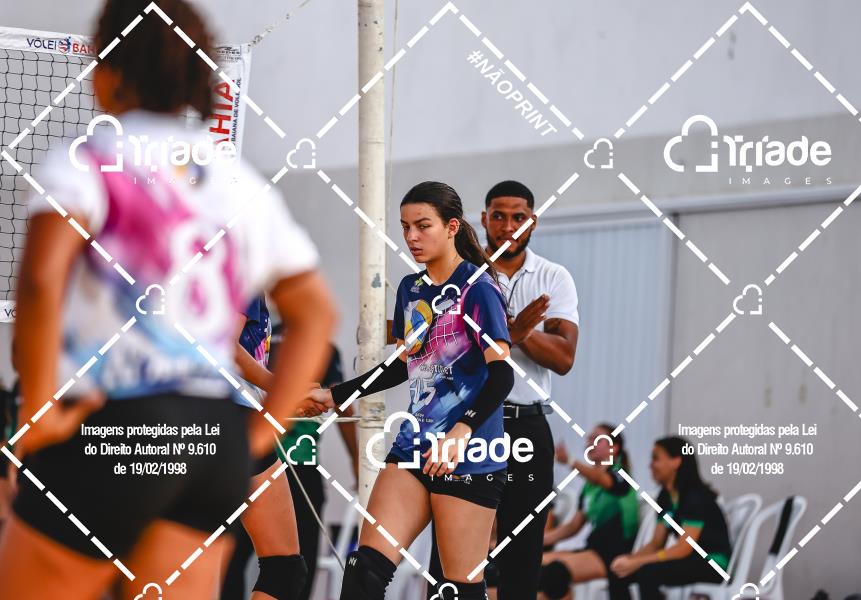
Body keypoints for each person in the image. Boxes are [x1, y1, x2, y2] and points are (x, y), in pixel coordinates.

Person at [0, 2, 336, 599]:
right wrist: (263, 430)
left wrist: (39, 409)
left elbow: (40, 283)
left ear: (106, 72)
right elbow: (315, 314)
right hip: (211, 441)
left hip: (114, 425)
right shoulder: (238, 181)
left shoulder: (91, 160)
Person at [308, 182, 514, 600]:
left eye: (423, 225)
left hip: (469, 455)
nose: (412, 237)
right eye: (405, 227)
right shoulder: (411, 289)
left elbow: (501, 375)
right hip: (412, 448)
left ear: (452, 227)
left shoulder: (477, 288)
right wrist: (336, 395)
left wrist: (461, 432)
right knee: (364, 571)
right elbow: (403, 364)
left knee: (458, 589)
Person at [430, 179, 579, 600]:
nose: (508, 226)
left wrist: (512, 333)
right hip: (470, 424)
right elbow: (446, 350)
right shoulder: (459, 274)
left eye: (518, 217)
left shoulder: (553, 277)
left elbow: (564, 358)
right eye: (499, 216)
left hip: (527, 425)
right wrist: (513, 332)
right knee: (452, 554)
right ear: (484, 219)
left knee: (523, 554)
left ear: (532, 222)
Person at [223, 330, 358, 600]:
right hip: (287, 459)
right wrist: (355, 457)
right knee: (287, 568)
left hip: (252, 452)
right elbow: (343, 406)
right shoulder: (318, 344)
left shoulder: (263, 335)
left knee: (235, 562)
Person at [609, 437, 732, 599]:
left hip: (712, 563)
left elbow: (683, 548)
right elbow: (656, 543)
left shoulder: (696, 497)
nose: (650, 465)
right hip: (687, 559)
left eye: (656, 458)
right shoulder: (665, 497)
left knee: (648, 572)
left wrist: (639, 562)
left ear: (676, 462)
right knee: (619, 573)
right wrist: (630, 560)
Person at [537, 424, 639, 600]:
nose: (589, 441)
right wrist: (532, 540)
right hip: (594, 548)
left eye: (597, 439)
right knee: (532, 563)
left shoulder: (621, 476)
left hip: (614, 554)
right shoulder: (589, 486)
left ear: (614, 448)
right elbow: (572, 527)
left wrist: (570, 461)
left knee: (555, 572)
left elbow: (602, 479)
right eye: (589, 438)